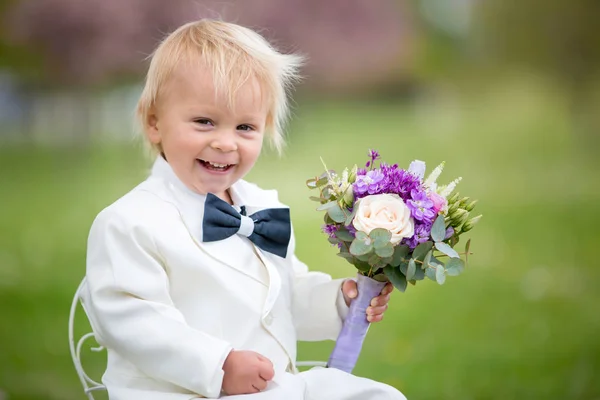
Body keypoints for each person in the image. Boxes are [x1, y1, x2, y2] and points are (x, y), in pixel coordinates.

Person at [82, 19, 406, 400]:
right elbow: (132, 322)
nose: (225, 143)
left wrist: (339, 300)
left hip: (273, 387)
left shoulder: (263, 207)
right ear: (155, 123)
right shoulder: (130, 222)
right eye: (204, 122)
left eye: (245, 127)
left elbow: (285, 296)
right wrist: (219, 366)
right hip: (183, 391)